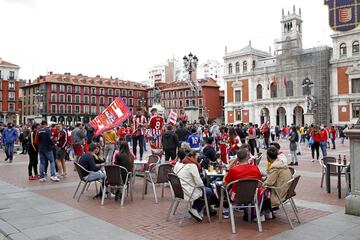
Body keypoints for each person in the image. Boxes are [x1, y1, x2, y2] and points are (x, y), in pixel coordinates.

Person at [222, 148, 263, 219]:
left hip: (236, 197)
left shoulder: (233, 170)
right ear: (248, 157)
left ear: (237, 158)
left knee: (222, 189)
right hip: (252, 196)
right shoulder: (255, 168)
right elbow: (260, 184)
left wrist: (228, 169)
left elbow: (224, 184)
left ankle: (226, 209)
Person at [174, 151, 214, 222]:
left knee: (203, 190)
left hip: (179, 190)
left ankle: (198, 210)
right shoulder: (192, 166)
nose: (197, 159)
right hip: (188, 191)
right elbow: (199, 183)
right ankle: (196, 209)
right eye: (196, 157)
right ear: (192, 157)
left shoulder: (178, 164)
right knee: (208, 191)